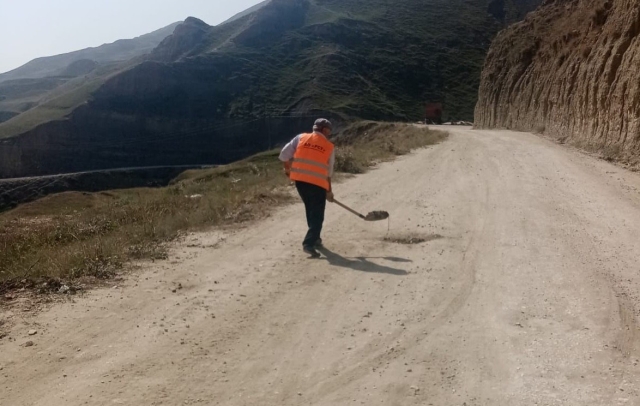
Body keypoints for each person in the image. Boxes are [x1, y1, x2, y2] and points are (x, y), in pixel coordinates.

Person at [279, 118, 336, 258]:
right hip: (318, 185)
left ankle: (315, 238)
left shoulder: (301, 138)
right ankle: (309, 243)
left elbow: (283, 155)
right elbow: (328, 172)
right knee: (317, 215)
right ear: (325, 130)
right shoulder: (329, 147)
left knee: (310, 210)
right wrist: (329, 191)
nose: (329, 133)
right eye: (329, 130)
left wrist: (288, 170)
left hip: (301, 182)